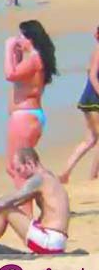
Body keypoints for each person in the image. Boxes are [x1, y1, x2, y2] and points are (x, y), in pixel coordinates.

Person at [0, 148, 69, 255]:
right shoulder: (48, 176)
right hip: (57, 241)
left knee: (6, 209)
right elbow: (16, 202)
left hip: (49, 241)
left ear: (29, 163)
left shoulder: (38, 179)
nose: (19, 175)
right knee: (3, 208)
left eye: (19, 170)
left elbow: (6, 202)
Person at [4, 20, 57, 202]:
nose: (18, 39)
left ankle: (28, 210)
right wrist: (17, 55)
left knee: (18, 167)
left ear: (30, 39)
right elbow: (18, 75)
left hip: (25, 117)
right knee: (27, 166)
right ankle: (52, 197)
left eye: (21, 36)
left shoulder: (34, 59)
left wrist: (8, 48)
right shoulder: (35, 59)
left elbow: (10, 74)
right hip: (28, 116)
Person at [59, 24, 99, 183]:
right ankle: (94, 176)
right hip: (94, 99)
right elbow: (93, 76)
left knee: (90, 139)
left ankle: (65, 173)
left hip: (90, 97)